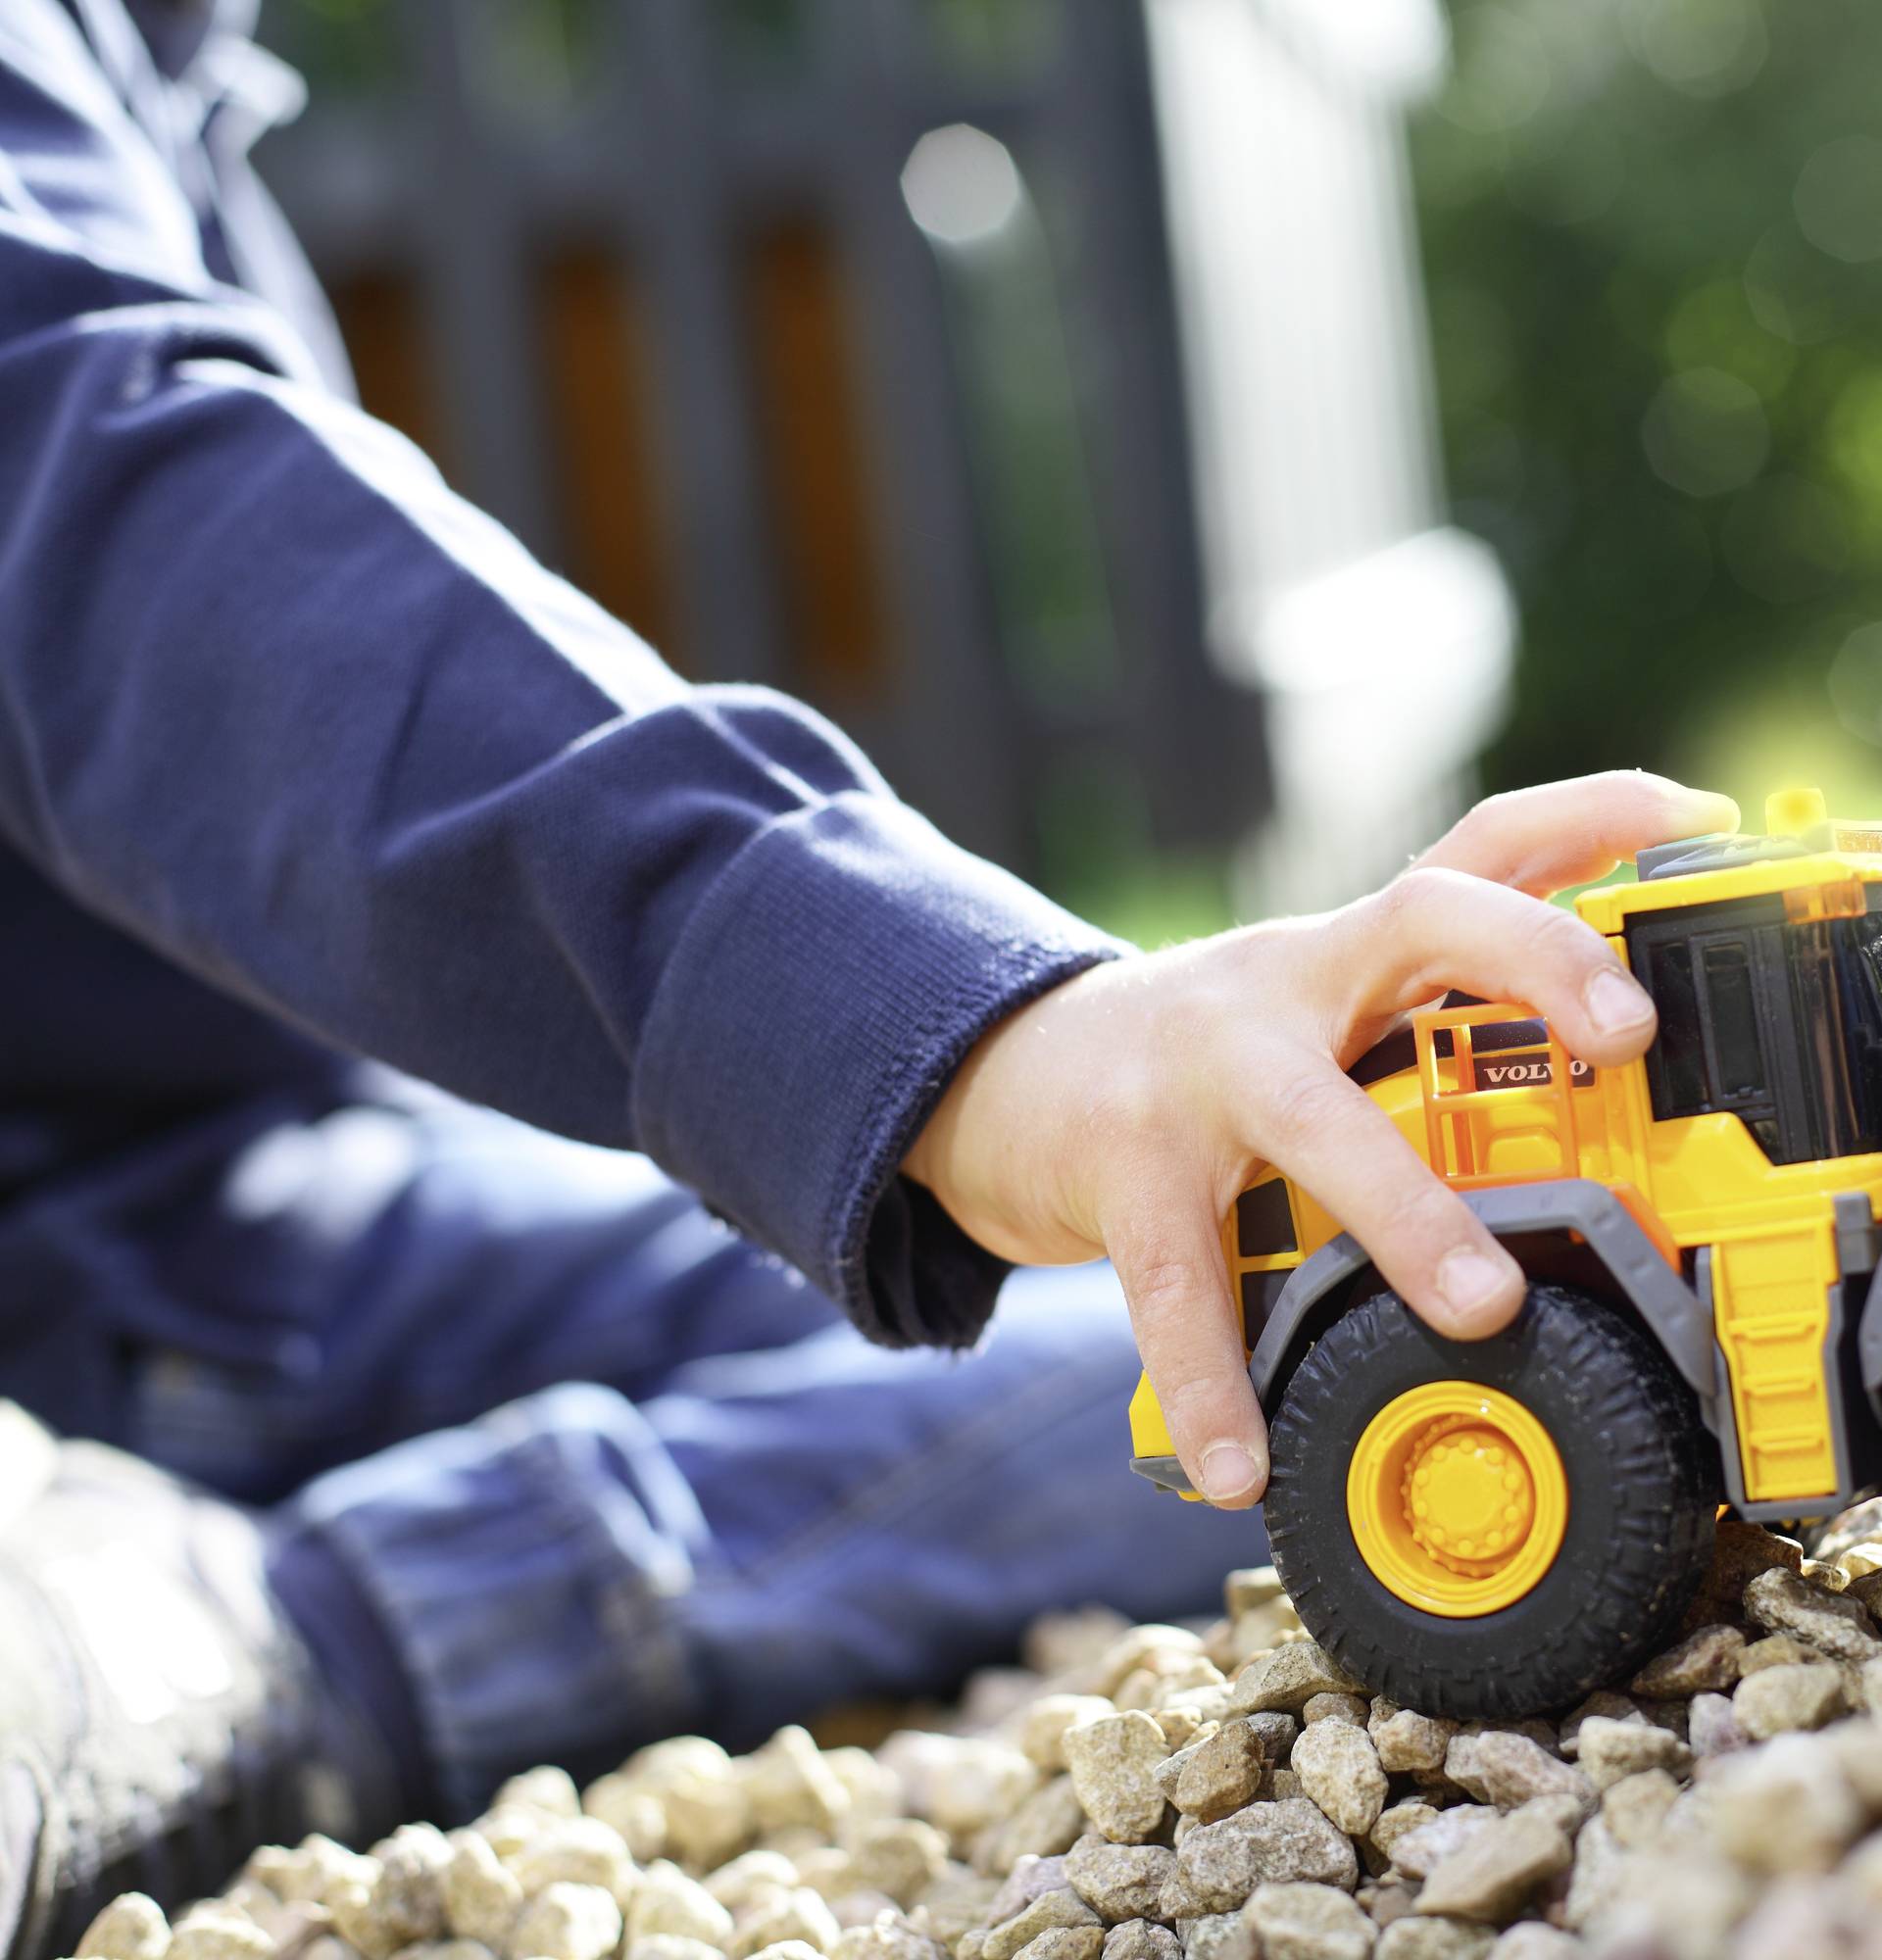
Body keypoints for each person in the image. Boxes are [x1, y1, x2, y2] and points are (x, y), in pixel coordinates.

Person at [0, 2, 1741, 1953]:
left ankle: (287, 1610)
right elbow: (114, 503)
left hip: (282, 1220)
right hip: (86, 1284)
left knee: (1280, 1345)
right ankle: (230, 1656)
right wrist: (989, 1032)